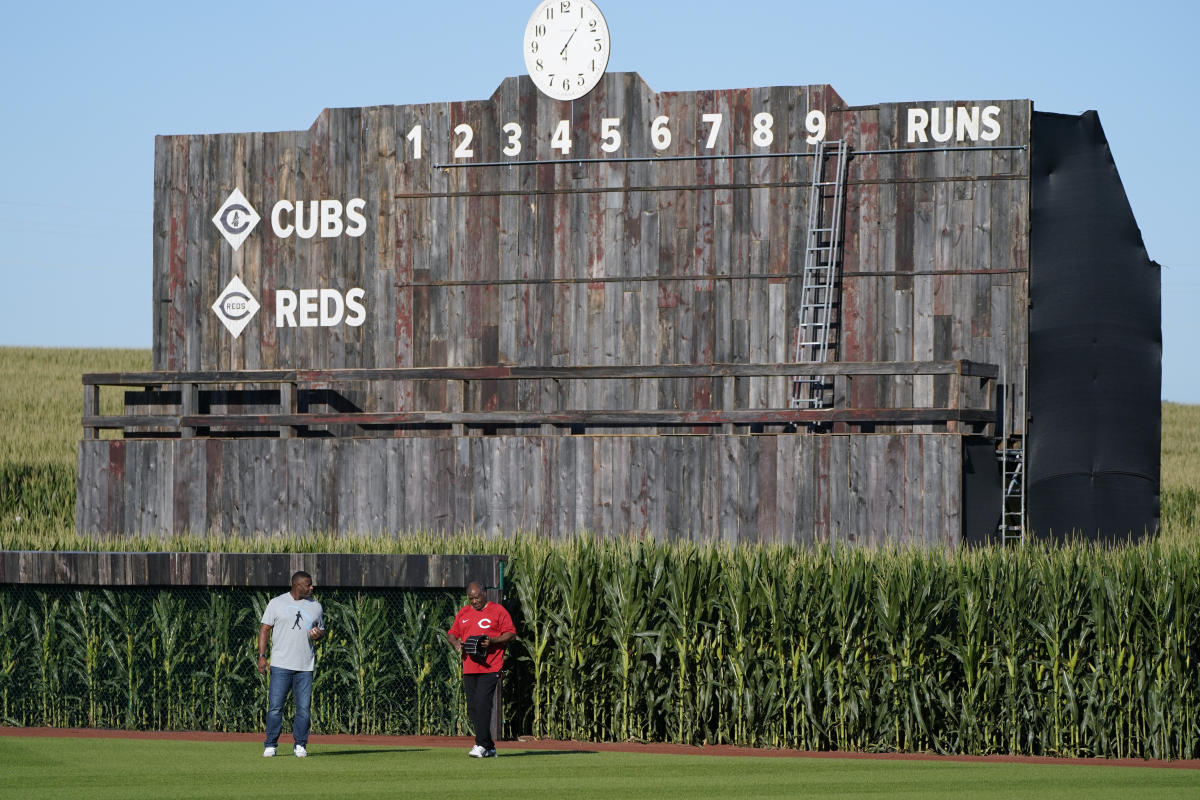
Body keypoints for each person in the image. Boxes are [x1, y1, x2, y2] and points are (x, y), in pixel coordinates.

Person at [257, 570, 326, 758]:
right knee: (275, 707)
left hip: (305, 666)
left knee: (303, 708)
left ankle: (300, 745)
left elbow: (321, 630)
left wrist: (319, 634)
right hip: (281, 665)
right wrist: (262, 656)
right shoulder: (277, 603)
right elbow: (264, 629)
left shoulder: (316, 606)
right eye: (308, 584)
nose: (312, 587)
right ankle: (271, 744)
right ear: (297, 585)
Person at [446, 581, 516, 758]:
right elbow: (452, 633)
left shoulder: (498, 611)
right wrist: (455, 643)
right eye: (471, 598)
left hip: (490, 665)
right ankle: (490, 747)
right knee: (473, 707)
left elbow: (511, 633)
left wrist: (492, 640)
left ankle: (480, 744)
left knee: (482, 703)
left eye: (477, 597)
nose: (474, 601)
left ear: (485, 593)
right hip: (469, 666)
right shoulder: (464, 612)